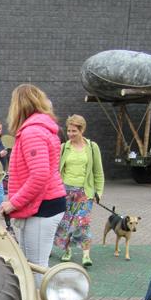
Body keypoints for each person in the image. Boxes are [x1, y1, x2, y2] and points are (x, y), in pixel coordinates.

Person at [0, 84, 66, 287]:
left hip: (42, 207)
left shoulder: (32, 132)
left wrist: (12, 204)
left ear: (19, 105)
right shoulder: (42, 129)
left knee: (35, 267)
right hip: (45, 204)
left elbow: (39, 176)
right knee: (31, 264)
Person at [53, 114, 104, 267]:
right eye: (69, 131)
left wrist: (98, 192)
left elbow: (98, 172)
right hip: (65, 192)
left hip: (84, 192)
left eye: (74, 131)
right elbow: (56, 170)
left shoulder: (92, 147)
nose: (70, 134)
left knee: (83, 223)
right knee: (65, 224)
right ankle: (67, 250)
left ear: (82, 130)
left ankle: (86, 254)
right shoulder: (64, 148)